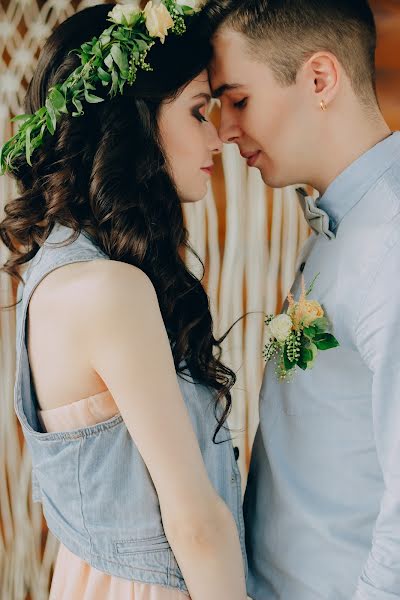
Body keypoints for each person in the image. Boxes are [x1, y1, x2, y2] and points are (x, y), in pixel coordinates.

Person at [0, 3, 248, 599]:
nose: (217, 138)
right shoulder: (110, 289)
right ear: (132, 122)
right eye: (197, 112)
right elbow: (195, 523)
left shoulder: (57, 272)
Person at [199, 0, 400, 598]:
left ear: (319, 78)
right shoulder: (341, 225)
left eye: (238, 100)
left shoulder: (390, 243)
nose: (224, 130)